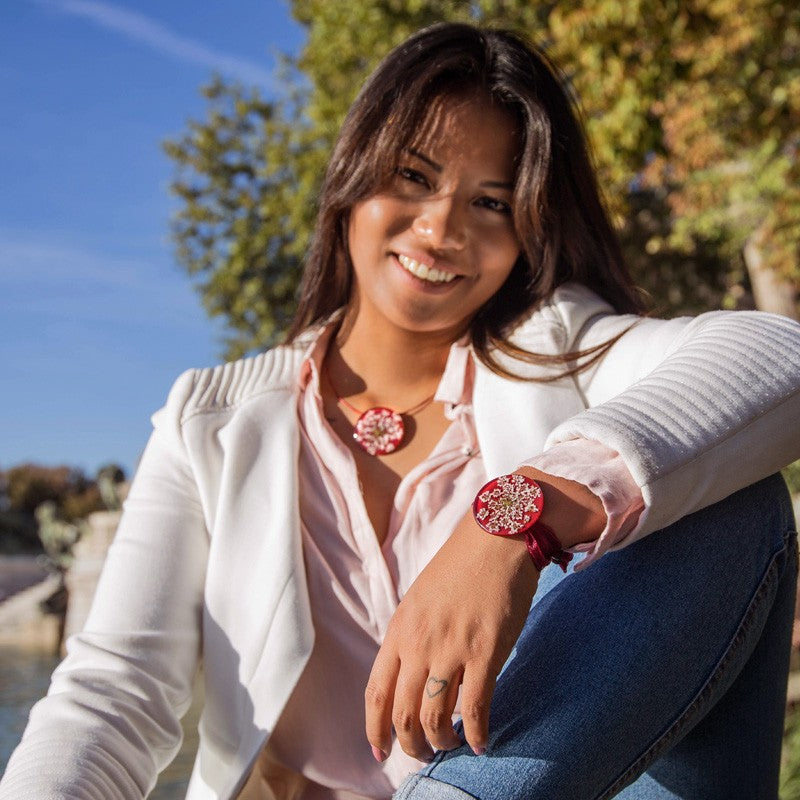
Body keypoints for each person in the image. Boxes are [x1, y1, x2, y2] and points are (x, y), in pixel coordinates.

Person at [2, 22, 799, 800]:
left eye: (491, 202)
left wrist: (512, 522)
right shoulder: (211, 422)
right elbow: (113, 694)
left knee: (729, 503)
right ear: (352, 176)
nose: (443, 228)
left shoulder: (560, 343)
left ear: (528, 233)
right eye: (414, 178)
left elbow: (777, 355)